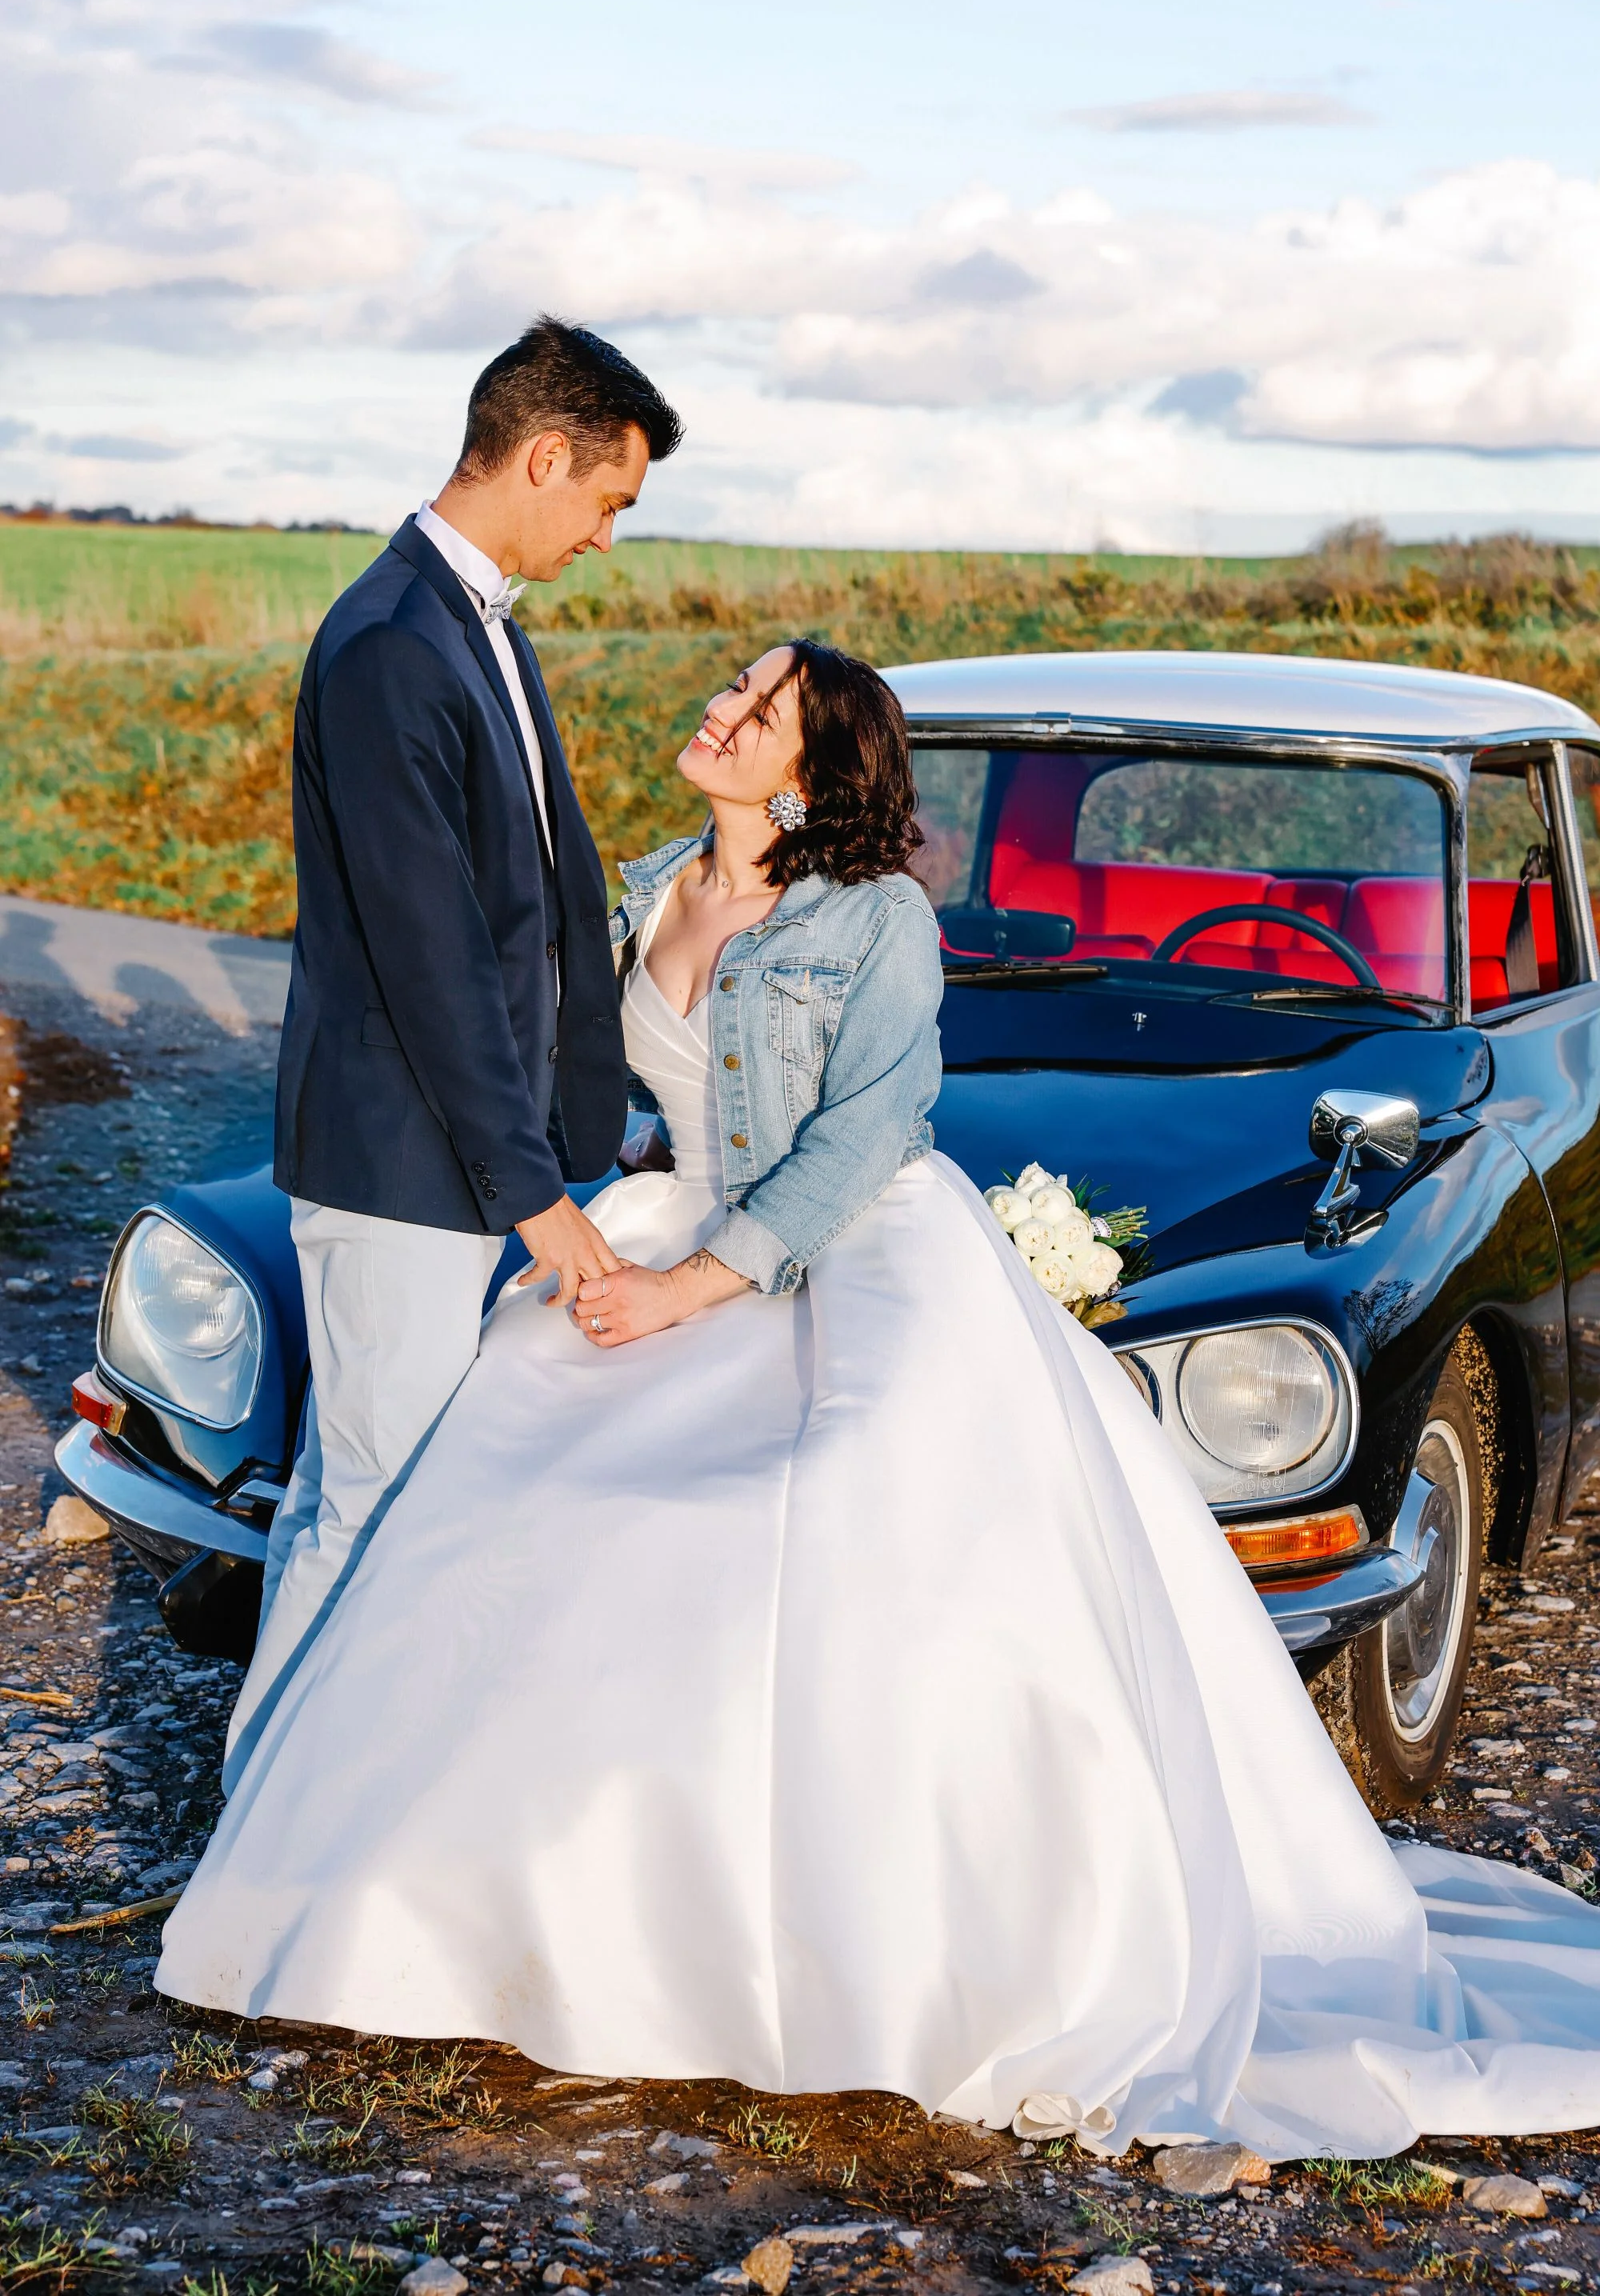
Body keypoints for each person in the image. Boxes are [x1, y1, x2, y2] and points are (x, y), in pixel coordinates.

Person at [164, 640, 1600, 2158]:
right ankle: (460, 1920)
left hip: (843, 1264)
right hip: (666, 1230)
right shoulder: (645, 886)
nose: (716, 709)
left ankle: (860, 1960)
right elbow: (531, 1050)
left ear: (807, 766)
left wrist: (681, 1286)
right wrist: (558, 1224)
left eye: (757, 707)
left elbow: (861, 1144)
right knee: (517, 1523)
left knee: (848, 1542)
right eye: (729, 687)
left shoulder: (883, 920)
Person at [222, 317, 682, 1794]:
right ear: (544, 456)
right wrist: (533, 1189)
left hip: (451, 1161)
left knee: (355, 1500)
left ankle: (296, 1813)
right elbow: (431, 967)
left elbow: (536, 907)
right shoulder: (387, 649)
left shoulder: (468, 627)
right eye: (609, 500)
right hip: (404, 1164)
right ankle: (280, 1842)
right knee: (375, 1506)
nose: (608, 537)